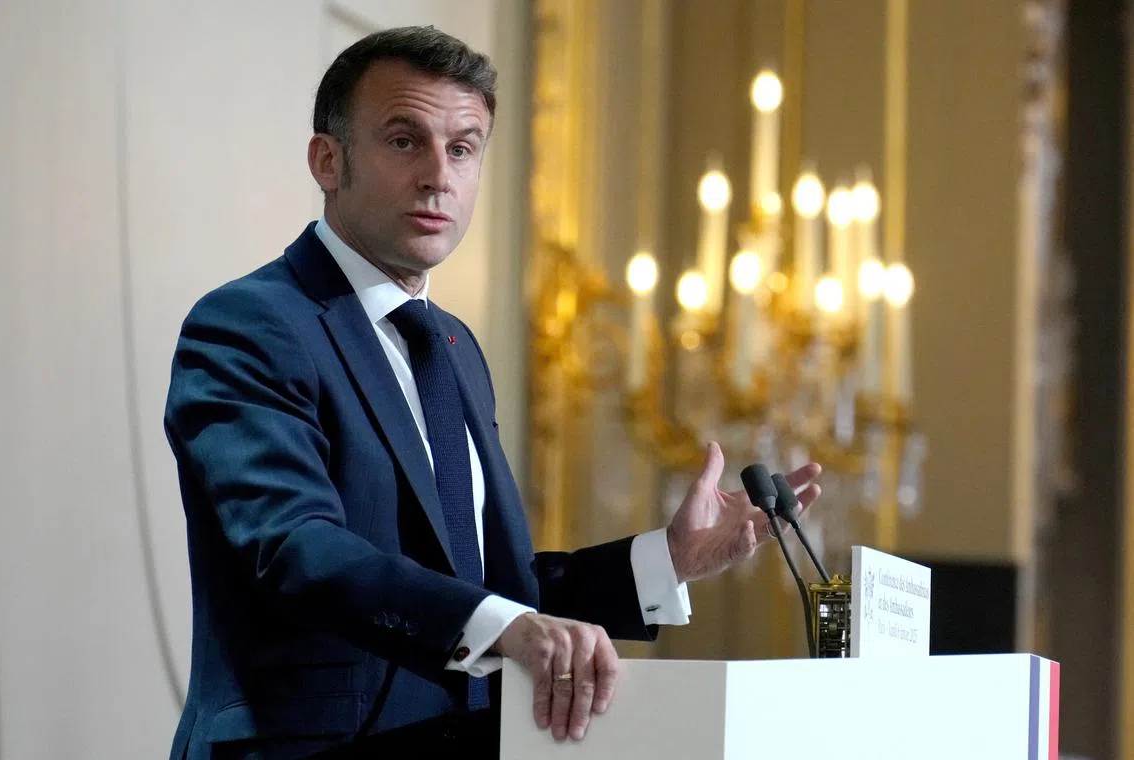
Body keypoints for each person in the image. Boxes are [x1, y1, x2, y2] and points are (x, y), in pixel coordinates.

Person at [164, 25, 821, 760]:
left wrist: (665, 559)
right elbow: (296, 549)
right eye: (405, 141)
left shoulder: (454, 348)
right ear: (328, 159)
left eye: (464, 147)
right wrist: (501, 625)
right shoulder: (251, 323)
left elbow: (495, 589)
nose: (438, 175)